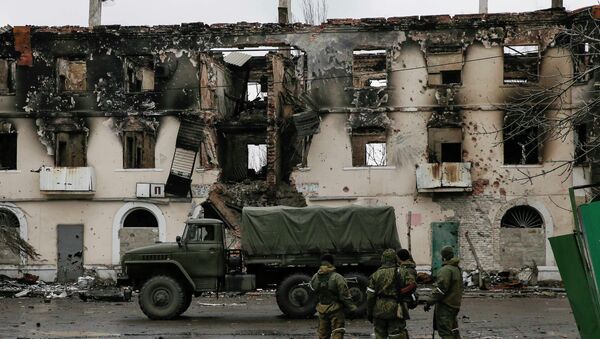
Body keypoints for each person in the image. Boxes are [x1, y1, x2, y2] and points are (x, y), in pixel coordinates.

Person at [366, 249, 417, 339]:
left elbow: (370, 296)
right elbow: (412, 285)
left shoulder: (375, 274)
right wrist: (401, 292)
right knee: (396, 335)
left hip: (379, 311)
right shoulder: (402, 272)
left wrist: (369, 312)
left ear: (383, 259)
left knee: (380, 335)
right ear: (395, 259)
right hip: (396, 309)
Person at [310, 254, 357, 339]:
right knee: (337, 332)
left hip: (322, 309)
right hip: (336, 310)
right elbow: (344, 295)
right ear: (332, 263)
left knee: (322, 334)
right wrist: (352, 308)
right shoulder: (337, 277)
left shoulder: (315, 277)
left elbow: (313, 291)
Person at [424, 245, 463, 339]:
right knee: (454, 331)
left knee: (445, 332)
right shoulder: (456, 269)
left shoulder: (445, 270)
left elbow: (440, 290)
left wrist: (429, 302)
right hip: (454, 304)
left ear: (443, 256)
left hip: (446, 306)